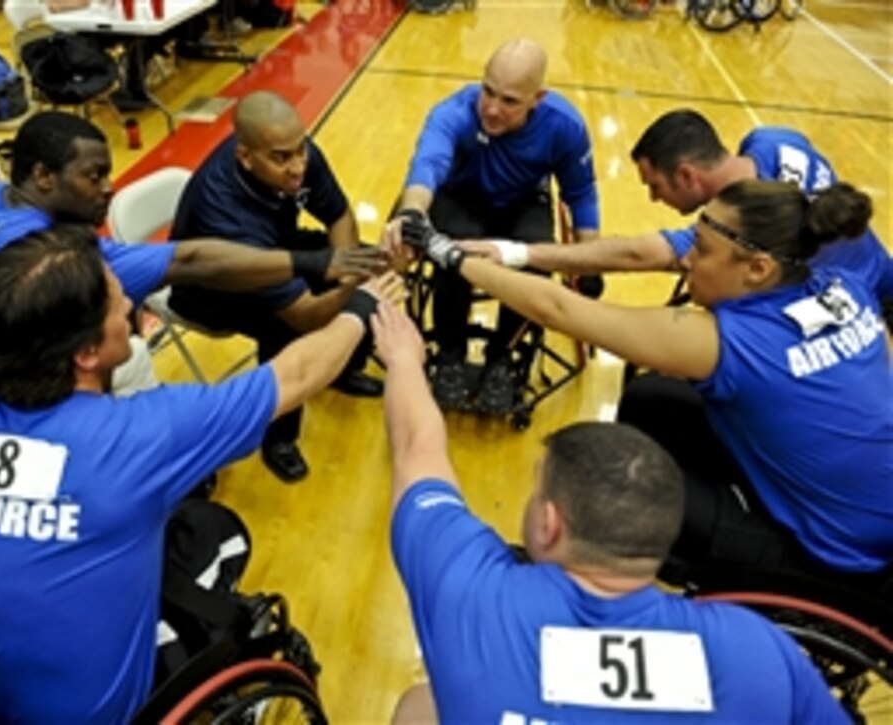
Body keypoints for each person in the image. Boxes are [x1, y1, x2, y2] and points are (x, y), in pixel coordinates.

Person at [0, 225, 401, 723]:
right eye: (118, 300)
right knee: (214, 530)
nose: (128, 305)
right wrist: (362, 304)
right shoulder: (139, 438)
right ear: (86, 353)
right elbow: (295, 376)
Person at [373, 299, 846, 722]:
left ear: (549, 523)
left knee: (418, 708)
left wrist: (402, 359)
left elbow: (418, 449)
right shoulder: (759, 650)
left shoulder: (468, 592)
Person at [404, 180, 892, 581]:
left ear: (759, 268)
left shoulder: (727, 342)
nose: (686, 259)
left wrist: (446, 253)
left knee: (603, 480)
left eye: (701, 250)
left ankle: (583, 580)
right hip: (875, 506)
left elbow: (556, 308)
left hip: (835, 550)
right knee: (651, 398)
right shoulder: (845, 287)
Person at [0, 110, 383, 408]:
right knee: (126, 355)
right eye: (94, 176)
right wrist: (316, 265)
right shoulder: (53, 260)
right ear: (43, 176)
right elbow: (190, 261)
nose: (110, 188)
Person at [169, 90, 384, 483]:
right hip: (209, 287)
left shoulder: (296, 155)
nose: (298, 166)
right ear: (246, 157)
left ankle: (340, 366)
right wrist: (356, 289)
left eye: (300, 150)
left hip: (277, 246)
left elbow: (339, 217)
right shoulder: (226, 214)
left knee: (364, 257)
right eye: (281, 158)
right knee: (283, 327)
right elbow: (302, 317)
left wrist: (349, 269)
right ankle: (278, 439)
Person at [381, 38, 600, 413]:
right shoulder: (453, 113)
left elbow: (580, 194)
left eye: (510, 100)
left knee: (536, 264)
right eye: (488, 91)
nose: (492, 109)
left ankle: (503, 358)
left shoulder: (565, 126)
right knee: (451, 254)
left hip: (523, 202)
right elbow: (427, 165)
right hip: (461, 196)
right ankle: (450, 354)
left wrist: (589, 260)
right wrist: (413, 211)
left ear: (538, 98)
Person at [460, 109, 891, 296]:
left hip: (861, 313)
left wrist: (514, 252)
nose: (652, 198)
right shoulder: (771, 139)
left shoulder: (738, 223)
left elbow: (635, 253)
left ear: (688, 174)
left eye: (656, 186)